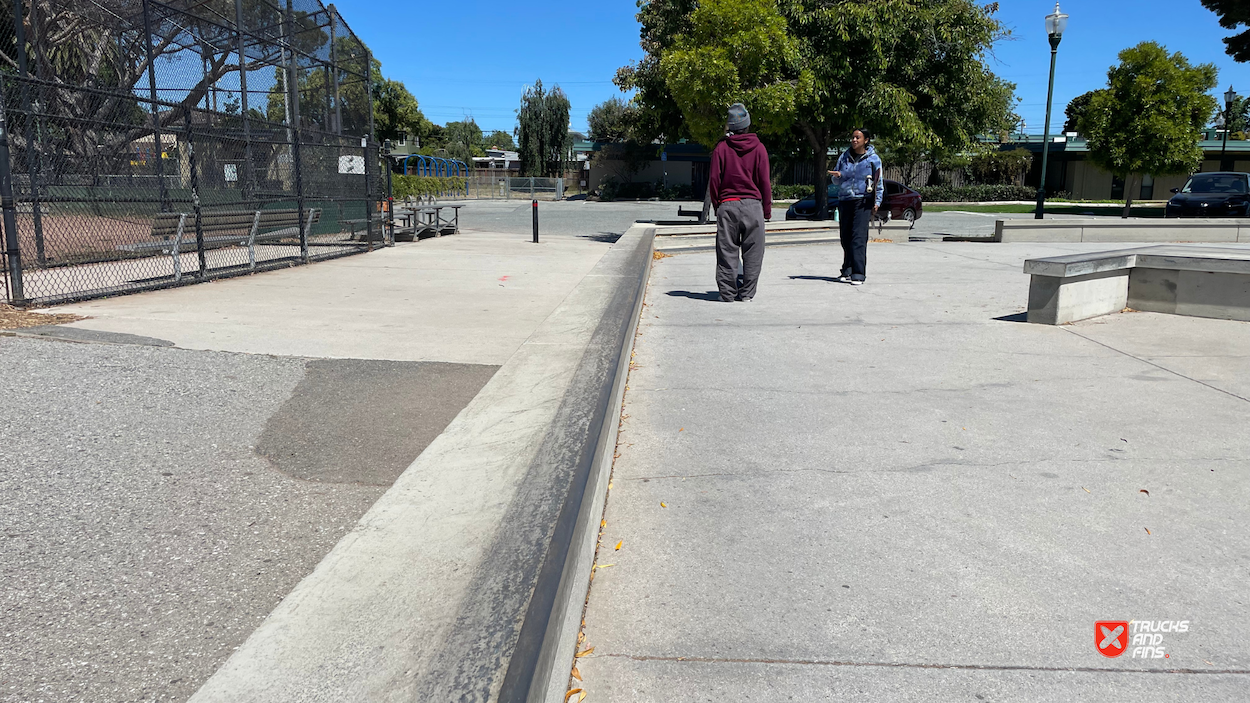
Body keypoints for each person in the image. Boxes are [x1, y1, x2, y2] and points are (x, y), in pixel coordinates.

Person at [708, 103, 771, 302]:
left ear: (730, 127)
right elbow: (764, 181)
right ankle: (747, 294)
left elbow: (714, 181)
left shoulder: (721, 148)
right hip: (753, 206)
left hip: (728, 204)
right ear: (747, 124)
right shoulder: (759, 148)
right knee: (753, 253)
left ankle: (727, 294)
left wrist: (718, 206)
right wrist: (766, 210)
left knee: (727, 251)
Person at [828, 128, 883, 285]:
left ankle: (859, 273)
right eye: (852, 137)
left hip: (863, 201)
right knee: (845, 238)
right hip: (845, 200)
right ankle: (847, 269)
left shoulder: (873, 159)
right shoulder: (844, 157)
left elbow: (879, 182)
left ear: (866, 140)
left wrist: (877, 202)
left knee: (858, 237)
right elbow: (837, 180)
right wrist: (838, 177)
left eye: (857, 138)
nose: (854, 140)